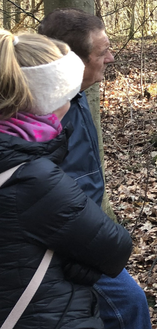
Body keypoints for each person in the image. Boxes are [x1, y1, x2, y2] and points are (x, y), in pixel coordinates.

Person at [0, 30, 133, 328]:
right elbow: (115, 248)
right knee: (130, 301)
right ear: (49, 97)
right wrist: (74, 264)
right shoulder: (32, 176)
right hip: (46, 315)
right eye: (67, 91)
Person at [39, 8, 153, 329]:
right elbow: (37, 196)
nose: (112, 58)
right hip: (61, 250)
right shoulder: (45, 112)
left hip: (81, 240)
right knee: (130, 304)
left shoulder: (73, 96)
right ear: (74, 61)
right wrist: (78, 252)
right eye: (102, 52)